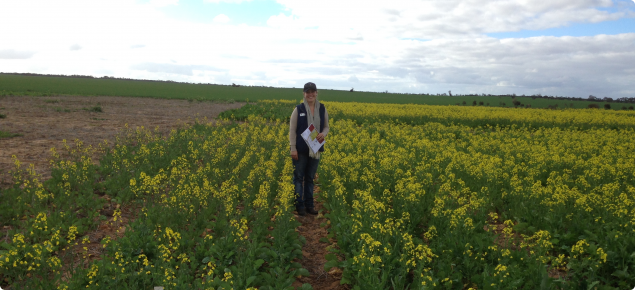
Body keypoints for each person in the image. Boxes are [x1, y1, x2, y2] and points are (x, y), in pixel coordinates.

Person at [289, 82, 329, 216]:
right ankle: (299, 206)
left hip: (315, 149)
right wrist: (293, 148)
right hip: (300, 150)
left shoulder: (322, 109)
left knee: (310, 178)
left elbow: (326, 126)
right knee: (299, 178)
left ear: (316, 93)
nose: (310, 94)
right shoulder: (298, 109)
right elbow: (292, 130)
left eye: (313, 91)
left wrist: (323, 134)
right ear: (304, 94)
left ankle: (309, 205)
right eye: (308, 92)